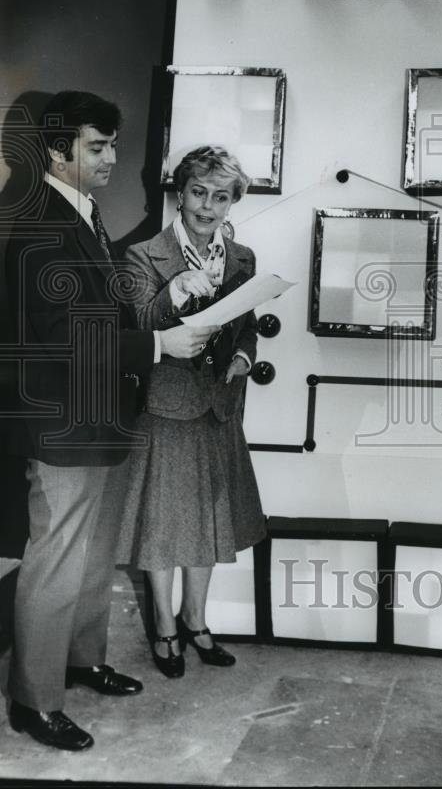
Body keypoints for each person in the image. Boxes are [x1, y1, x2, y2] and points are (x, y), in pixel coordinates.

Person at [4, 91, 217, 751]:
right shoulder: (36, 220)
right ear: (58, 149)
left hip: (96, 415)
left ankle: (81, 659)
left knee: (94, 551)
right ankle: (33, 701)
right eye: (97, 147)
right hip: (60, 421)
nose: (112, 159)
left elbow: (104, 307)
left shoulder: (83, 212)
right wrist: (156, 345)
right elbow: (64, 334)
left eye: (114, 145)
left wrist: (173, 297)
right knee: (57, 558)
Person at [116, 146, 267, 678]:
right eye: (198, 192)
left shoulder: (242, 257)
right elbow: (138, 322)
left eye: (220, 196)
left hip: (219, 408)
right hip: (165, 407)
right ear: (181, 193)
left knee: (209, 522)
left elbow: (246, 323)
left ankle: (196, 621)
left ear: (231, 203)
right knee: (163, 526)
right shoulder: (143, 254)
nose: (207, 206)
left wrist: (246, 354)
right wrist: (175, 291)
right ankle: (163, 626)